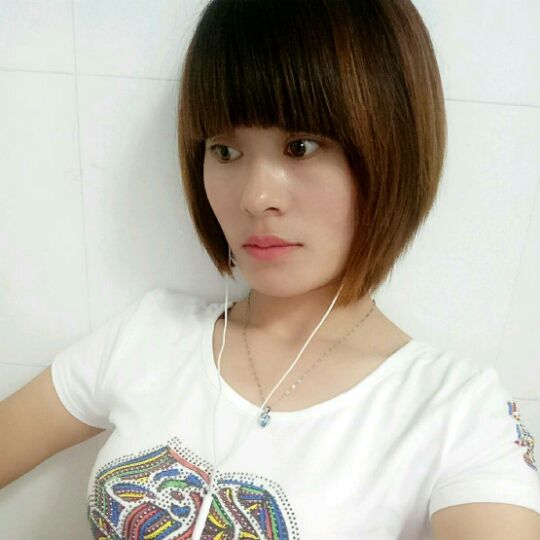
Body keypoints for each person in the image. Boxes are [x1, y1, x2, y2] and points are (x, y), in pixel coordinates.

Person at [1, 0, 539, 538]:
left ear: (392, 149)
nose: (255, 198)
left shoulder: (455, 411)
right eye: (225, 151)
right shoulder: (148, 334)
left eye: (300, 147)